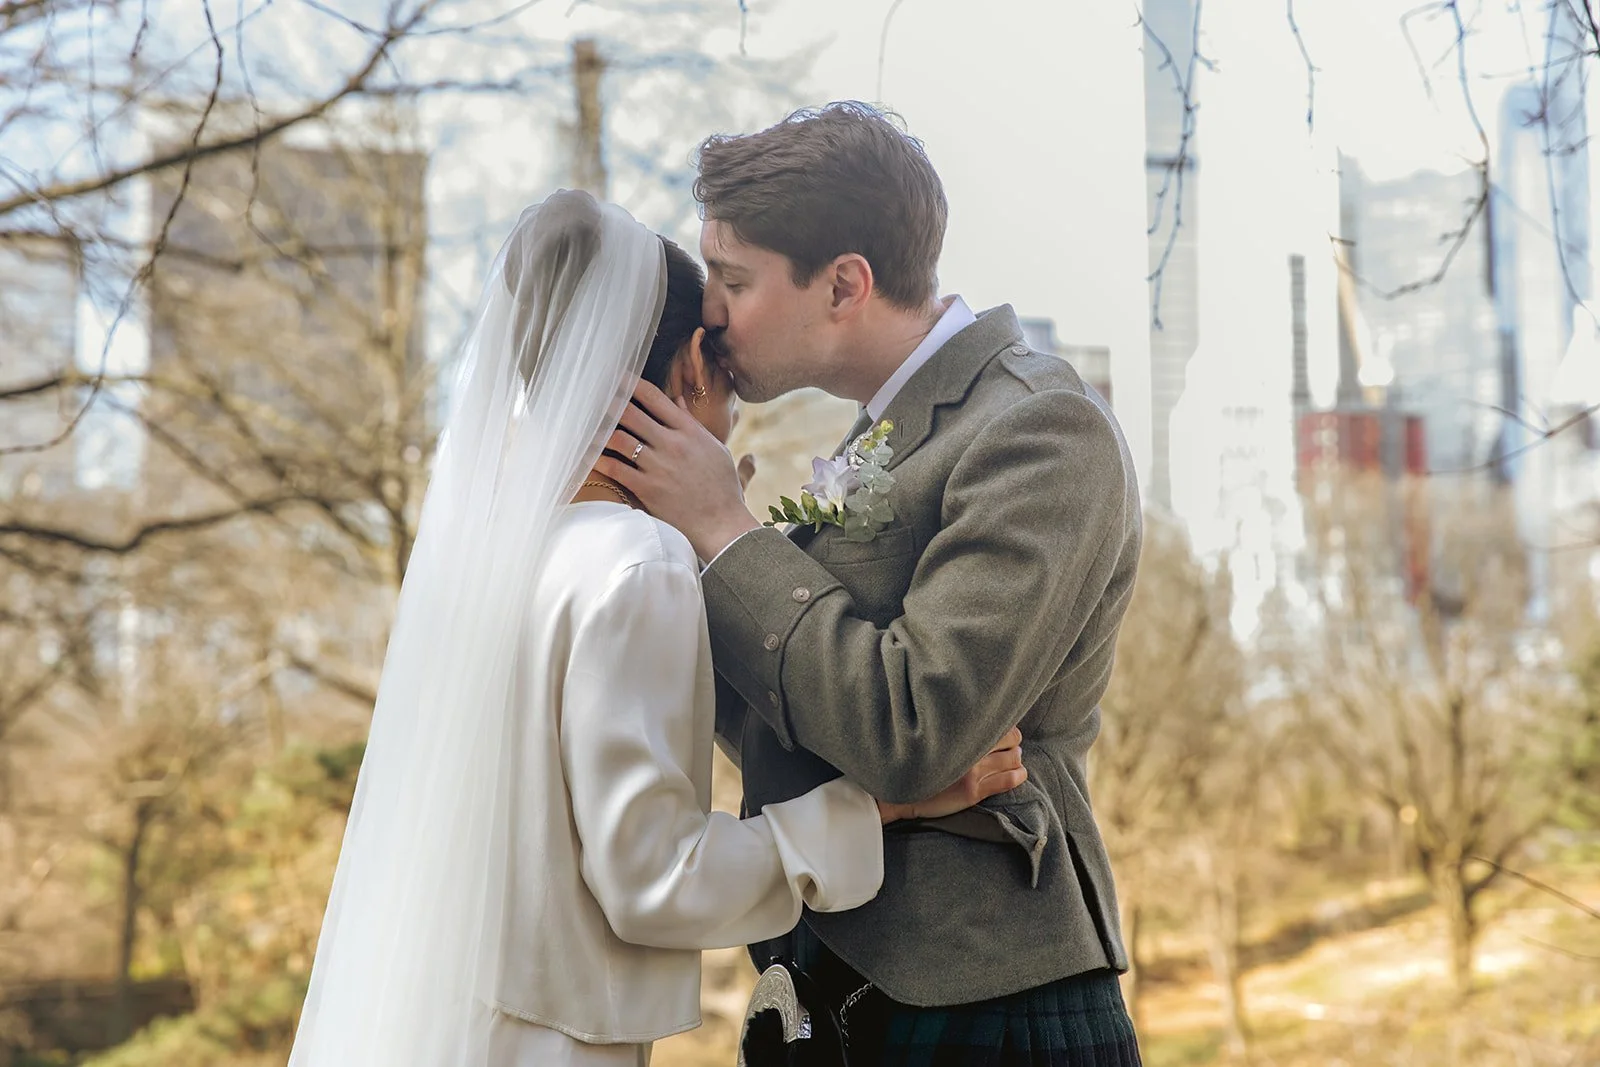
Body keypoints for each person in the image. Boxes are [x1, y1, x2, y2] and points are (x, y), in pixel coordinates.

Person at [286, 190, 1027, 1067]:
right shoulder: (636, 565)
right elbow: (654, 879)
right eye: (719, 360)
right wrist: (886, 806)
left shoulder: (502, 558)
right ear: (688, 374)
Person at [605, 103, 1146, 1065]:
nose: (714, 316)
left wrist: (727, 535)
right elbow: (793, 720)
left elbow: (915, 728)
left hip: (984, 1003)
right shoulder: (871, 442)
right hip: (822, 996)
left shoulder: (1040, 428)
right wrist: (678, 550)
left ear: (845, 283)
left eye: (734, 280)